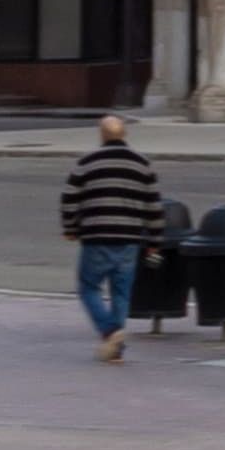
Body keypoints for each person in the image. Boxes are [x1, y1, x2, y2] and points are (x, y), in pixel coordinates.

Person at [60, 114, 165, 361]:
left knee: (88, 287)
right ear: (125, 135)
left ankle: (110, 331)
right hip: (129, 238)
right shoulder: (142, 164)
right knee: (121, 292)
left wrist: (71, 228)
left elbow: (69, 198)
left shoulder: (87, 162)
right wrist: (154, 242)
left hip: (96, 236)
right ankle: (116, 347)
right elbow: (154, 206)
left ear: (102, 135)